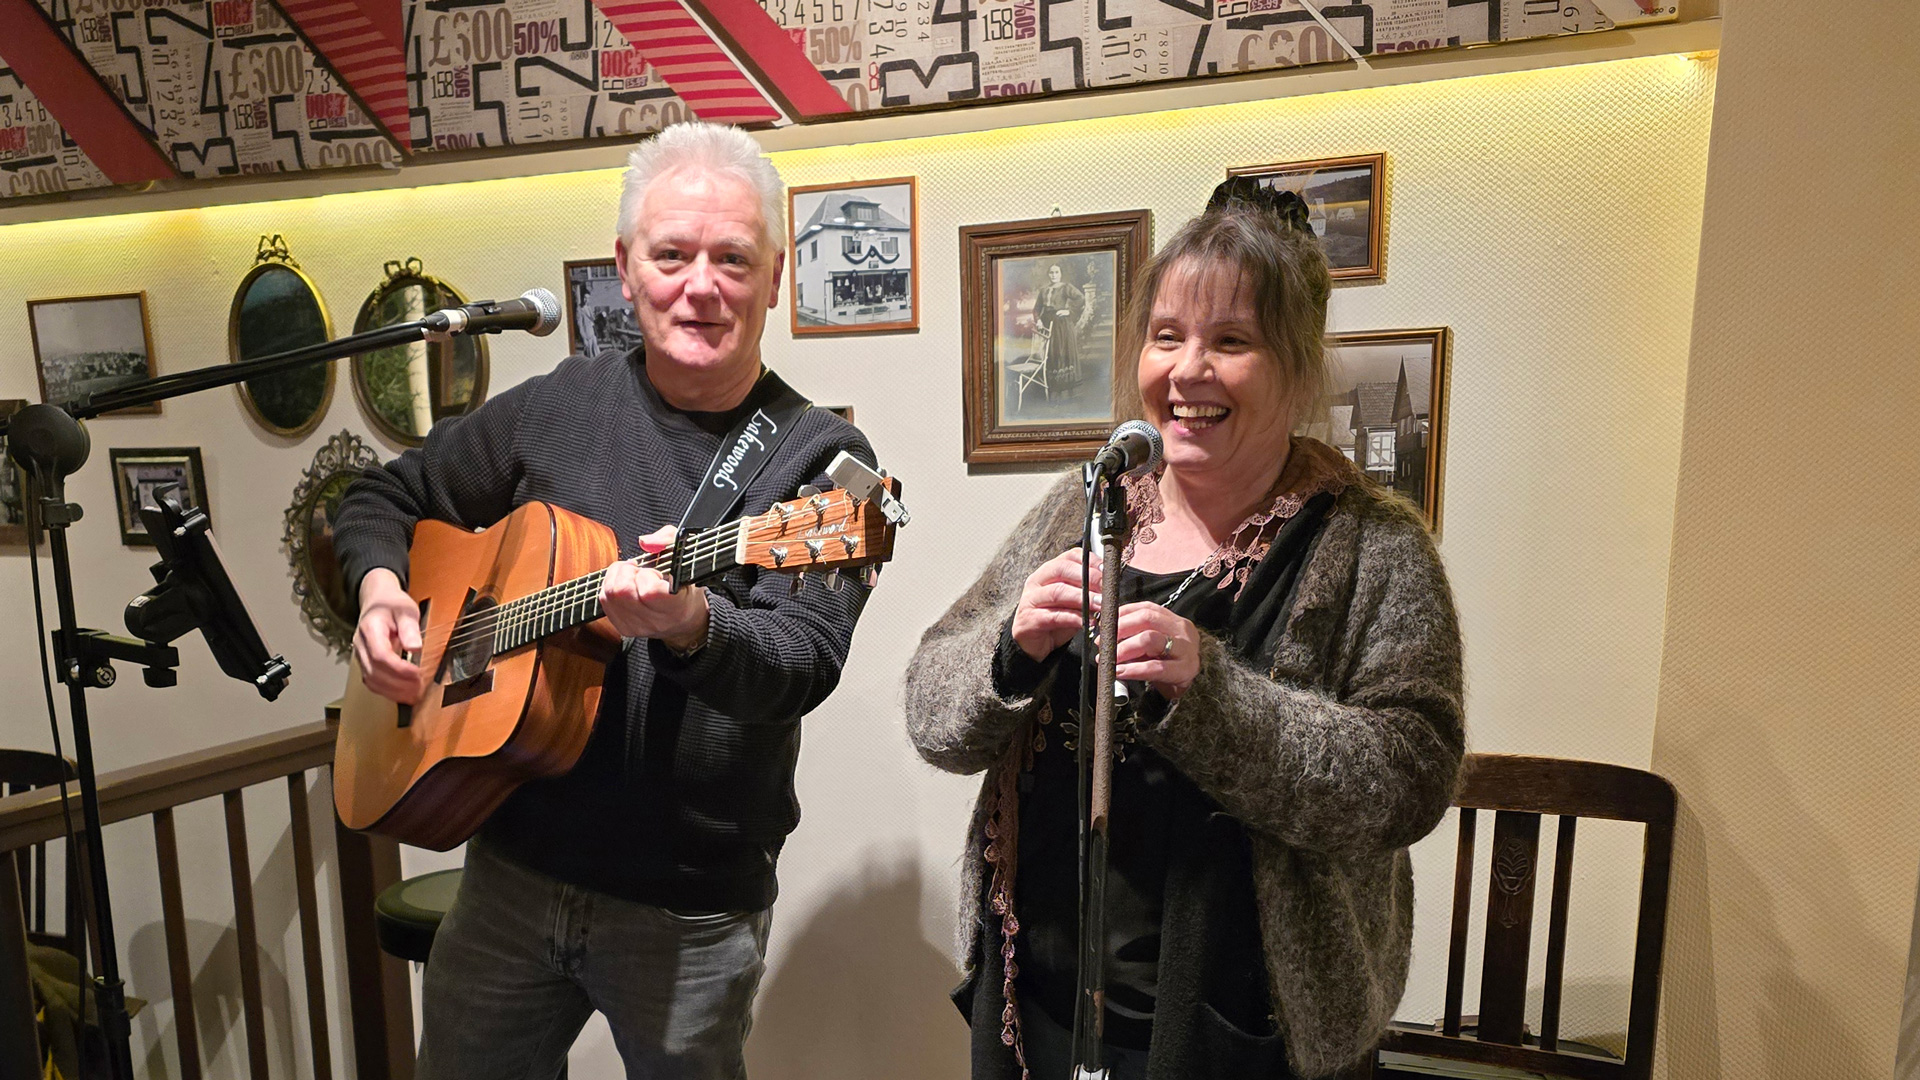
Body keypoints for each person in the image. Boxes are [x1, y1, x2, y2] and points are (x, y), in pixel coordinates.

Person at [333, 122, 877, 1080]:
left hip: (688, 908)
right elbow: (386, 495)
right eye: (672, 254)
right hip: (508, 870)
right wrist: (381, 588)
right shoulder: (557, 405)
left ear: (775, 276)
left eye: (732, 259)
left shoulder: (829, 466)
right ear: (627, 268)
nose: (700, 285)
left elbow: (802, 662)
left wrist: (690, 624)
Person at [904, 177, 1465, 1080]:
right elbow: (932, 710)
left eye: (1231, 341)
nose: (1187, 370)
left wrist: (1214, 697)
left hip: (1249, 1032)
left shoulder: (1372, 546)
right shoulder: (1082, 508)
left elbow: (1410, 776)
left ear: (1295, 366)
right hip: (1038, 1006)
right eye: (1166, 336)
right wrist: (1009, 652)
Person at [1034, 263, 1085, 391]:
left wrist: (1069, 311)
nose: (1054, 275)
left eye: (1056, 272)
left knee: (1062, 351)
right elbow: (1036, 309)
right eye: (1051, 272)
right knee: (1050, 354)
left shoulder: (1066, 287)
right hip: (1047, 323)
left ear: (1061, 274)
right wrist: (1038, 320)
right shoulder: (1043, 290)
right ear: (1048, 274)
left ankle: (1066, 387)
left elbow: (1080, 298)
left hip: (1061, 324)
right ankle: (1052, 386)